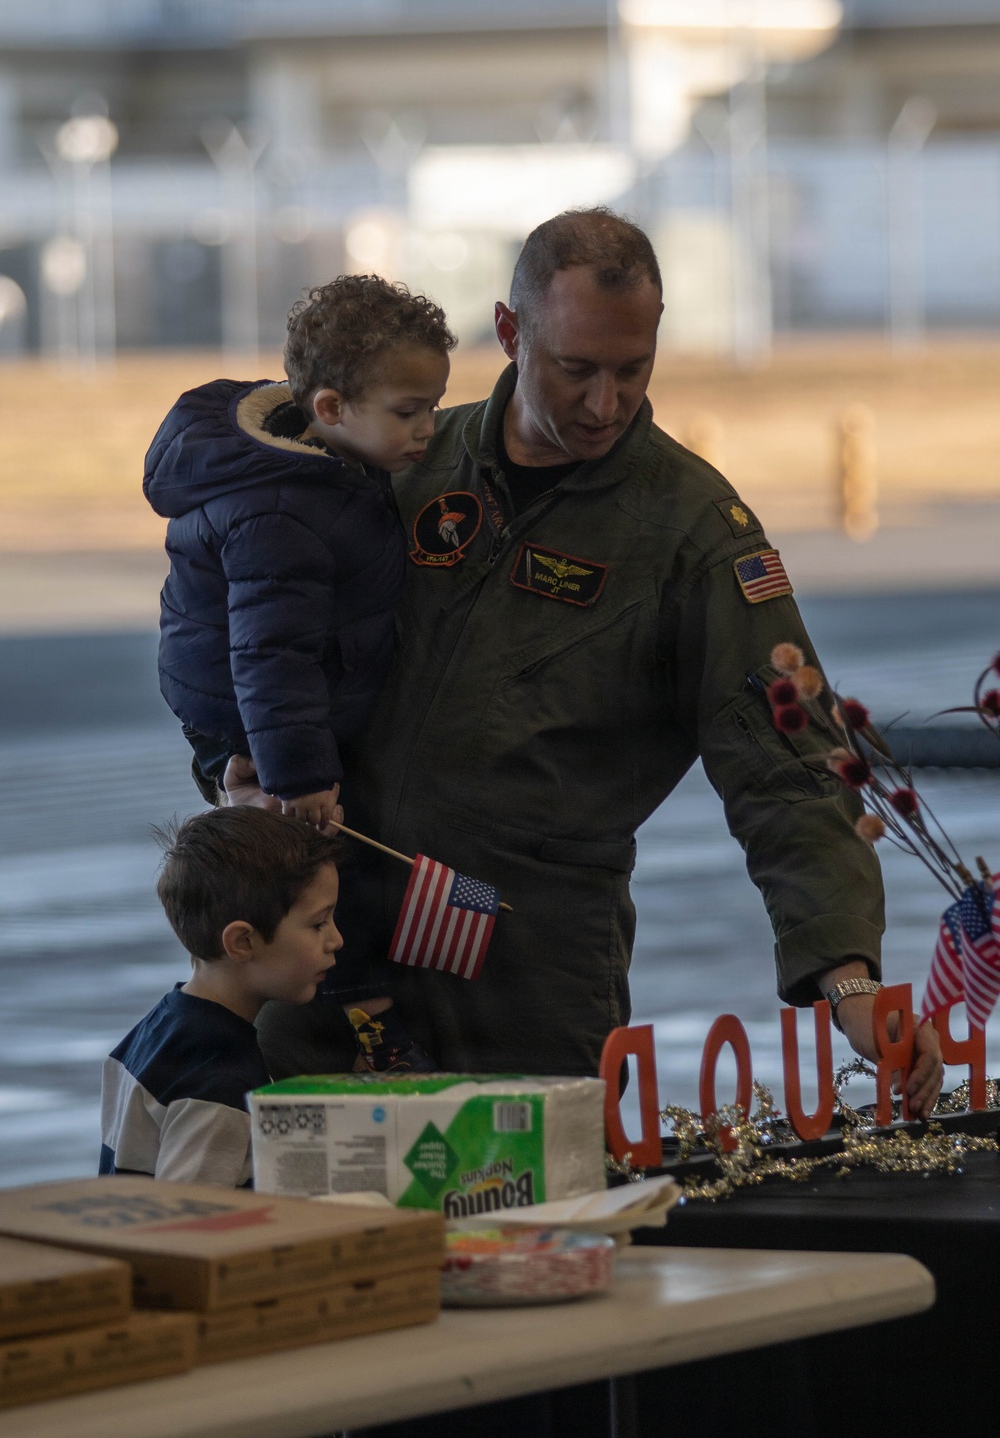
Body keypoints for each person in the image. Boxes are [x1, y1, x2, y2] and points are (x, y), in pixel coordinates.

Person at [232, 208, 943, 1117]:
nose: (606, 404)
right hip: (326, 951)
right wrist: (238, 770)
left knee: (540, 1240)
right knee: (314, 1235)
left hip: (529, 973)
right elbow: (250, 632)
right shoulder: (396, 464)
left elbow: (789, 764)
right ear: (509, 333)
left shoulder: (689, 532)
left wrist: (850, 980)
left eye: (632, 369)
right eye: (576, 369)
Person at [143, 274, 455, 1071]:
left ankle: (365, 1009)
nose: (427, 430)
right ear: (327, 409)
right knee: (322, 871)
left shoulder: (324, 465)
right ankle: (368, 1029)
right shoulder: (283, 508)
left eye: (433, 407)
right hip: (250, 719)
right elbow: (269, 651)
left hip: (275, 706)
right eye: (408, 412)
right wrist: (299, 773)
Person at [99, 806, 343, 1186]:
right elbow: (193, 1227)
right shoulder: (219, 1082)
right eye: (319, 923)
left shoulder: (158, 1028)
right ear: (242, 941)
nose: (336, 940)